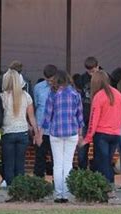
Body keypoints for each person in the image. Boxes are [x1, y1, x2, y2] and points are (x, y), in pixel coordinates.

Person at [81, 71, 121, 188]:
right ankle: (110, 186)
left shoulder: (98, 97)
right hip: (115, 134)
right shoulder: (118, 94)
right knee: (107, 161)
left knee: (102, 162)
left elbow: (94, 119)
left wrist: (88, 138)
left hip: (101, 134)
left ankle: (107, 186)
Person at [41, 70, 83, 203]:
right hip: (72, 131)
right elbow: (80, 116)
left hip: (56, 132)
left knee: (58, 164)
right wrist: (81, 133)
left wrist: (40, 132)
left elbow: (47, 116)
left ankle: (58, 194)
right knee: (68, 163)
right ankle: (67, 193)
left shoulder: (52, 94)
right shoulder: (76, 94)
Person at [0, 69, 39, 187]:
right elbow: (31, 117)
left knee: (8, 162)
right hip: (23, 132)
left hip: (7, 131)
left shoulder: (3, 97)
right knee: (20, 162)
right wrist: (36, 132)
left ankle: (10, 185)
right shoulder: (26, 96)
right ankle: (20, 186)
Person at [74, 57, 99, 170]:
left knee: (99, 146)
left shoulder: (104, 77)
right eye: (89, 71)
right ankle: (82, 169)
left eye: (93, 71)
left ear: (97, 66)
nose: (91, 73)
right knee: (83, 146)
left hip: (99, 116)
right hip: (85, 115)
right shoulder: (82, 79)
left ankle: (97, 170)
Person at [33, 64, 57, 178]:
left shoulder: (61, 88)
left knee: (56, 158)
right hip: (41, 128)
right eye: (48, 80)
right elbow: (36, 106)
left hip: (56, 129)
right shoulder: (38, 88)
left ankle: (56, 183)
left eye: (52, 80)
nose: (50, 82)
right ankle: (38, 183)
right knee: (39, 157)